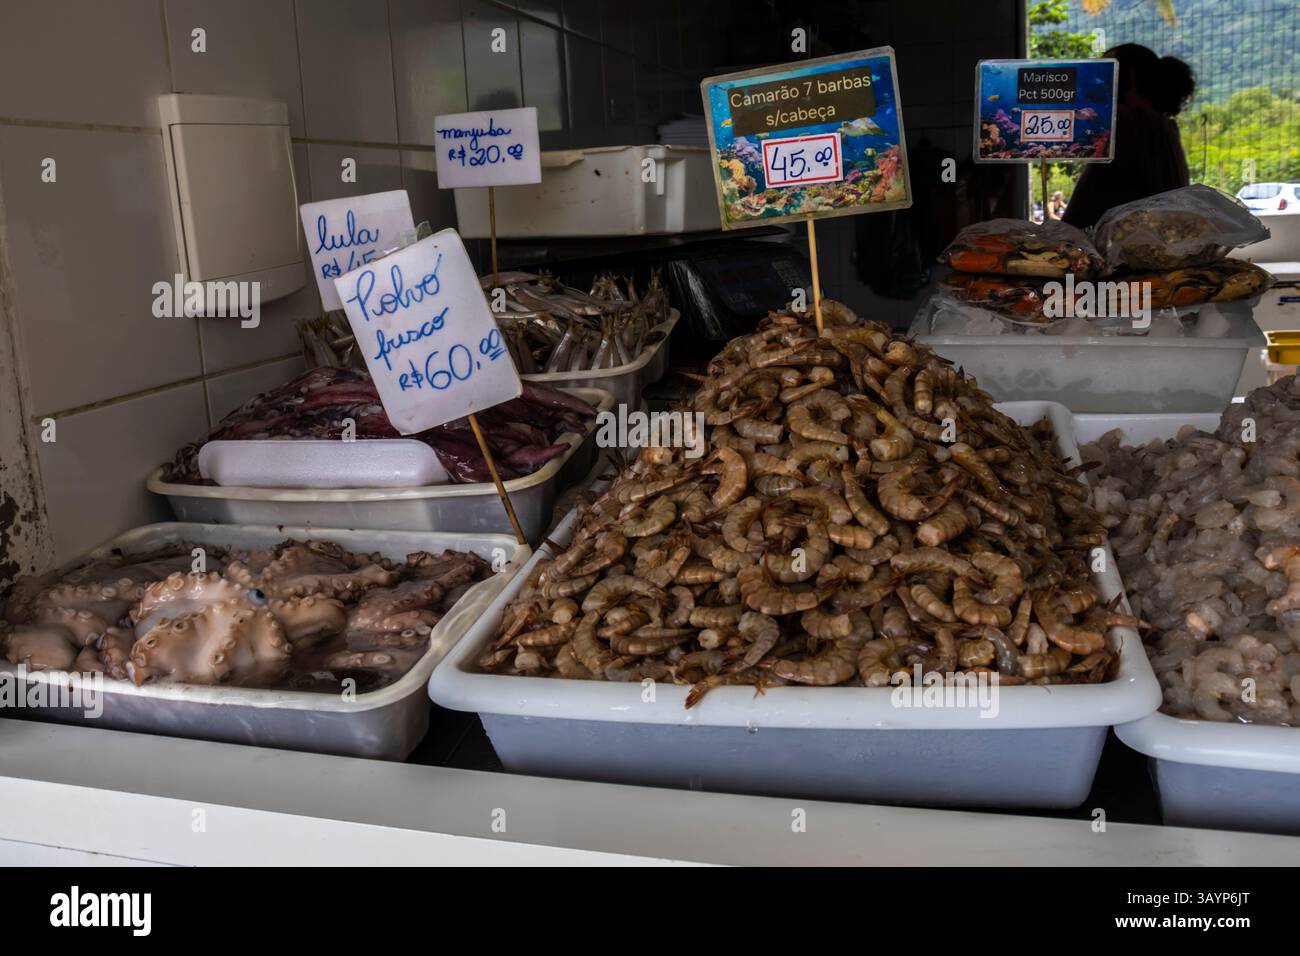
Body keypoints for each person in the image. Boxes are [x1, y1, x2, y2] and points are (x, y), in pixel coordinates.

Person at [1063, 44, 1192, 229]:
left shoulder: (1126, 120)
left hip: (1122, 241)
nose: (1098, 79)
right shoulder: (1162, 125)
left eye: (1106, 70)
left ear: (1130, 75)